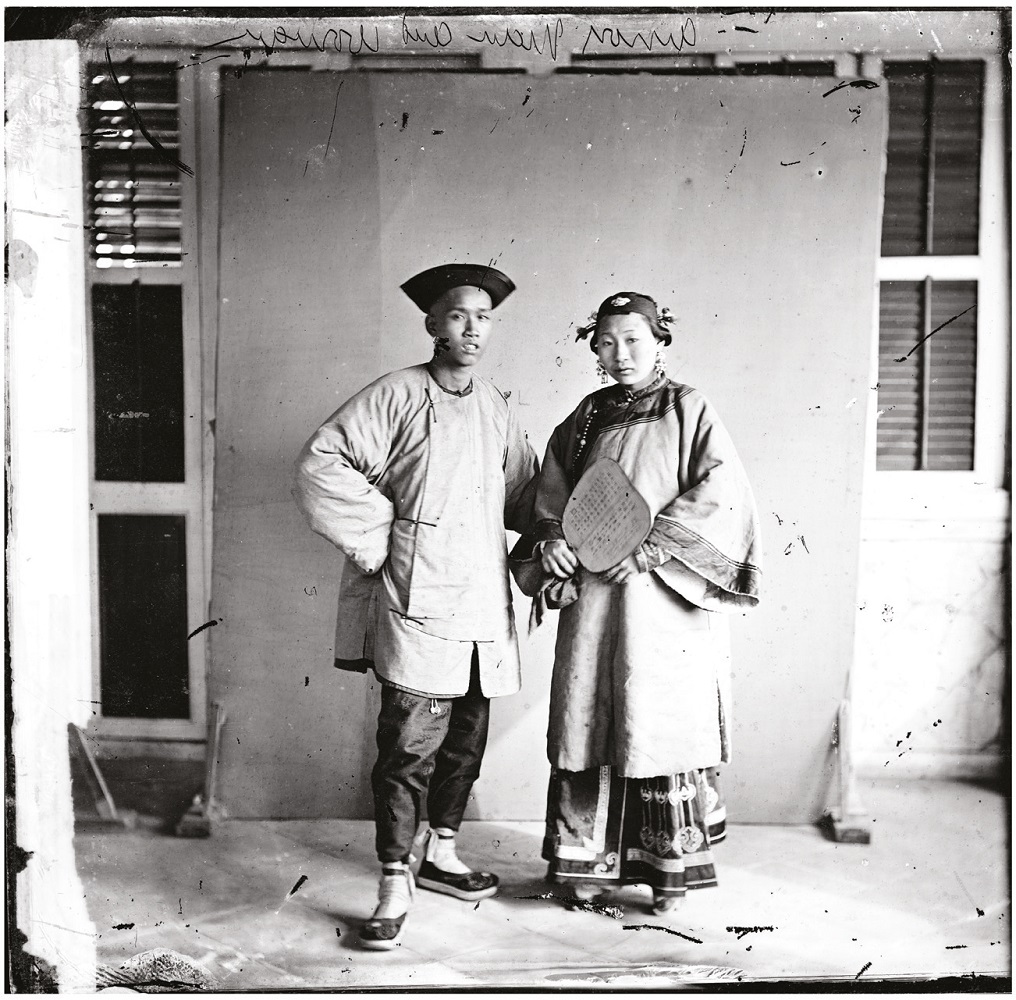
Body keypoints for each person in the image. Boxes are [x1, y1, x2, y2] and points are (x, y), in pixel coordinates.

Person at [293, 263, 538, 950]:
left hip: (482, 601)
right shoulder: (395, 395)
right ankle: (393, 879)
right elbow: (322, 462)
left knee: (466, 739)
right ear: (432, 323)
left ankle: (442, 851)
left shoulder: (494, 404)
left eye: (484, 317)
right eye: (458, 315)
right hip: (418, 594)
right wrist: (389, 538)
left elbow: (525, 498)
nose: (472, 328)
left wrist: (559, 532)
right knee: (406, 751)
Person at [531, 292, 762, 914]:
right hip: (597, 603)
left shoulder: (690, 409)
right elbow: (552, 500)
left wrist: (653, 545)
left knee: (659, 722)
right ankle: (584, 867)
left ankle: (670, 873)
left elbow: (722, 493)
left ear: (660, 339)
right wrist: (551, 542)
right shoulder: (585, 418)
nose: (619, 354)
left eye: (633, 339)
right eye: (605, 342)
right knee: (590, 717)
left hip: (663, 601)